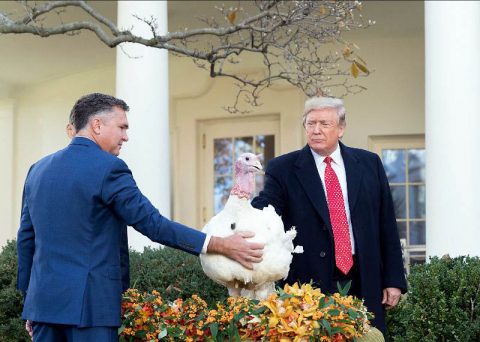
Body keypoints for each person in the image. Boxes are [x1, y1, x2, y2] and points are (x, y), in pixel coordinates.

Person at [17, 93, 264, 341]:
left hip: (42, 308)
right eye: (122, 127)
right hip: (91, 308)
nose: (126, 136)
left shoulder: (37, 170)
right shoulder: (109, 168)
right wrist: (221, 244)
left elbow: (26, 240)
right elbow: (153, 225)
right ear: (97, 125)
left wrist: (30, 304)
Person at [251, 96, 407, 332]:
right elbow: (267, 211)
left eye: (324, 124)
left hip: (363, 275)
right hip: (307, 281)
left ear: (341, 128)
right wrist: (243, 201)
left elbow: (387, 224)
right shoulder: (282, 168)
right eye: (310, 123)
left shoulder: (369, 163)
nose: (316, 130)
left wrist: (393, 280)